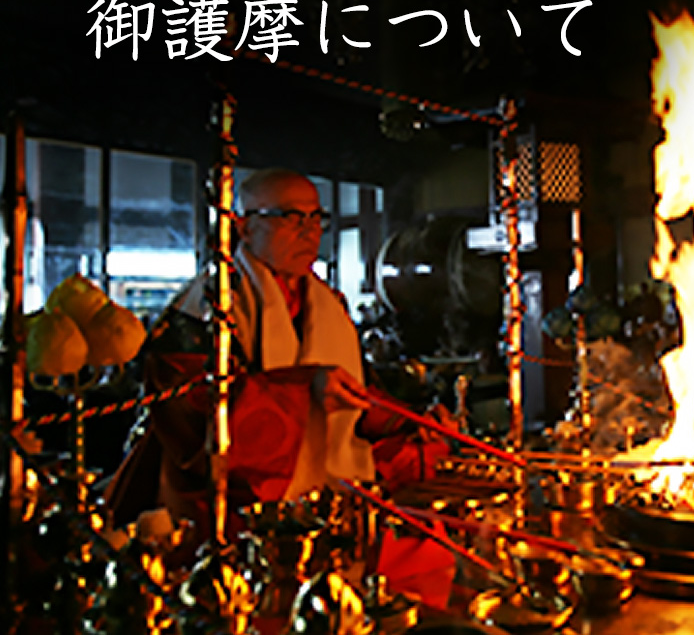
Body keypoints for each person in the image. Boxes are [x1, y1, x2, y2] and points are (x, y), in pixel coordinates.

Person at [106, 168, 448, 530]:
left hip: (322, 499)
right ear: (244, 227)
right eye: (290, 216)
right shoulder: (209, 306)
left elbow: (354, 392)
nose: (309, 231)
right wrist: (301, 388)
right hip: (223, 510)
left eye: (317, 217)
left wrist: (409, 420)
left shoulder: (327, 302)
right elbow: (193, 415)